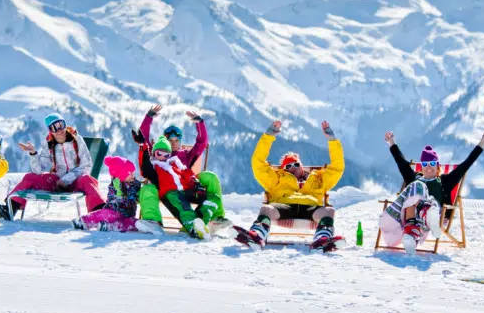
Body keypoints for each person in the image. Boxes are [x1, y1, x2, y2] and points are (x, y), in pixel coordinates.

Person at [235, 120, 344, 250]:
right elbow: (258, 163)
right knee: (267, 209)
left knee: (329, 211)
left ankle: (322, 240)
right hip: (284, 207)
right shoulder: (276, 179)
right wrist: (268, 136)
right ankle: (256, 236)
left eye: (296, 164)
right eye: (288, 166)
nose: (293, 167)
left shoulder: (317, 178)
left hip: (311, 208)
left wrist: (332, 140)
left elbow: (337, 168)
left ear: (302, 167)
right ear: (283, 169)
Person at [379, 129, 484, 254]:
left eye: (432, 163)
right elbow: (400, 161)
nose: (428, 166)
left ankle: (427, 215)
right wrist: (391, 142)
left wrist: (482, 143)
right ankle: (412, 234)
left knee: (416, 186)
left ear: (438, 166)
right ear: (421, 167)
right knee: (414, 186)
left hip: (436, 215)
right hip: (416, 218)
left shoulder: (445, 181)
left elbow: (466, 164)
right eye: (425, 163)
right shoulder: (414, 177)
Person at [0, 113, 106, 221]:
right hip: (56, 182)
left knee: (88, 179)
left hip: (76, 181)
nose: (59, 130)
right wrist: (33, 153)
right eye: (54, 127)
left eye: (61, 125)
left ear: (65, 125)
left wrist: (66, 179)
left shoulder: (77, 140)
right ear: (50, 130)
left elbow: (86, 165)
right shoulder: (49, 144)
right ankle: (10, 209)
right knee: (30, 177)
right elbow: (38, 170)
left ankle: (100, 214)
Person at [136, 104, 210, 226]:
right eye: (170, 140)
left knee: (209, 180)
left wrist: (200, 123)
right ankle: (153, 222)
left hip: (182, 189)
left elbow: (201, 143)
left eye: (176, 140)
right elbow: (143, 138)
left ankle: (205, 218)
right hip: (162, 189)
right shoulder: (158, 153)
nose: (174, 143)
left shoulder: (186, 155)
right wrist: (149, 117)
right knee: (148, 189)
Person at [148, 135, 224, 240]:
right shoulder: (152, 165)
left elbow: (186, 172)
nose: (162, 156)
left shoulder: (174, 163)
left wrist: (195, 181)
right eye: (159, 153)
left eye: (166, 155)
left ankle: (203, 221)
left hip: (187, 188)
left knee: (214, 198)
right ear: (153, 153)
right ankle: (192, 227)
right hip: (171, 192)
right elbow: (143, 160)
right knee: (184, 207)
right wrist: (142, 144)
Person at [72, 156, 144, 232]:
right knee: (105, 213)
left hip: (128, 214)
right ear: (121, 174)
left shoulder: (135, 184)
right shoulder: (115, 186)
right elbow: (114, 200)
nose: (133, 175)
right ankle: (84, 221)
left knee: (133, 223)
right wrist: (119, 192)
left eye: (133, 172)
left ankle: (109, 227)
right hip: (114, 211)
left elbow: (137, 197)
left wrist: (139, 196)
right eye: (130, 173)